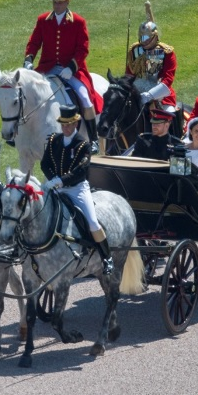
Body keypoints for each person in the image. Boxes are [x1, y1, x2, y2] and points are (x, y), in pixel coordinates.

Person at [24, 0, 104, 154]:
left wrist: (71, 67)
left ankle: (94, 139)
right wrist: (29, 59)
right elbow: (34, 42)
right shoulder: (43, 19)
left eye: (60, 3)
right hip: (47, 67)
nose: (56, 5)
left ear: (67, 2)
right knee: (25, 92)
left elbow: (83, 49)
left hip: (71, 70)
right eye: (54, 2)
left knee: (85, 98)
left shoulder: (78, 22)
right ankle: (18, 132)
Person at [40, 105, 114, 275]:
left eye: (68, 125)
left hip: (77, 189)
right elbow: (45, 164)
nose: (65, 128)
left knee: (93, 222)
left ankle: (106, 257)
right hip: (56, 187)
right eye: (63, 125)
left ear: (75, 124)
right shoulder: (53, 141)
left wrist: (60, 180)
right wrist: (52, 179)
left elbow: (80, 173)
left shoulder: (83, 145)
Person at [125, 1, 177, 112]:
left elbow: (168, 79)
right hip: (137, 90)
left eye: (148, 38)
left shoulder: (166, 52)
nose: (145, 42)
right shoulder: (135, 50)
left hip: (160, 94)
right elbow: (129, 74)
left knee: (170, 112)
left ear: (155, 37)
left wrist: (149, 95)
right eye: (142, 38)